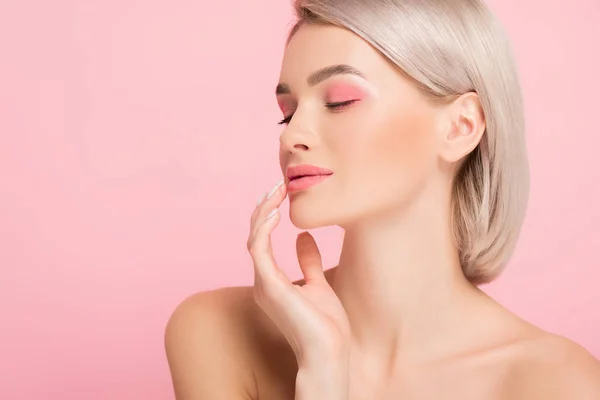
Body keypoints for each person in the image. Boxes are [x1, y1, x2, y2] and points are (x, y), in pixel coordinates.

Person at [164, 0, 600, 398]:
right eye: (288, 111)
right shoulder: (217, 332)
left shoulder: (558, 382)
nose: (293, 136)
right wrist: (321, 375)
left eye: (339, 101)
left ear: (460, 127)